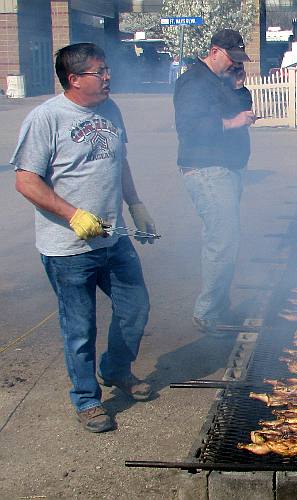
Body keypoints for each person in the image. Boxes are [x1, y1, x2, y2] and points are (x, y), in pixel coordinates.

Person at [11, 43, 157, 433]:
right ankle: (87, 399)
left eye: (107, 69)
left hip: (114, 239)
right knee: (80, 329)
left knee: (136, 307)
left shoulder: (111, 110)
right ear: (75, 79)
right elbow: (25, 180)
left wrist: (136, 205)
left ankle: (116, 368)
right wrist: (72, 214)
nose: (108, 77)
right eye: (100, 71)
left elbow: (118, 160)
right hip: (68, 250)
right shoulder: (47, 118)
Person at [173, 29, 256, 335]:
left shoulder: (222, 81)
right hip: (207, 169)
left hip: (228, 167)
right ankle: (207, 313)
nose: (234, 64)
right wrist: (233, 122)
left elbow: (242, 107)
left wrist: (238, 86)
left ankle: (219, 308)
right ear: (215, 51)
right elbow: (189, 126)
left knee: (227, 238)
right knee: (223, 239)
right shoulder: (194, 82)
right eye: (232, 59)